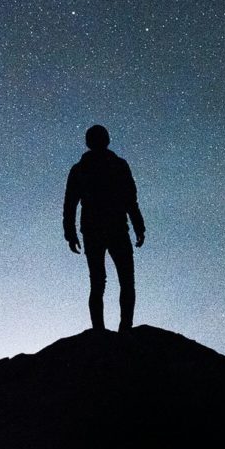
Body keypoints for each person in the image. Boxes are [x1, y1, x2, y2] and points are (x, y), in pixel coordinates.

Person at [63, 125, 146, 332]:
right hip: (109, 228)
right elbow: (70, 203)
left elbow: (70, 204)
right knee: (117, 281)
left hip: (102, 229)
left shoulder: (85, 168)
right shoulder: (115, 165)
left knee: (104, 282)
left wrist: (138, 225)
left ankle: (110, 329)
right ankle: (118, 329)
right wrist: (138, 225)